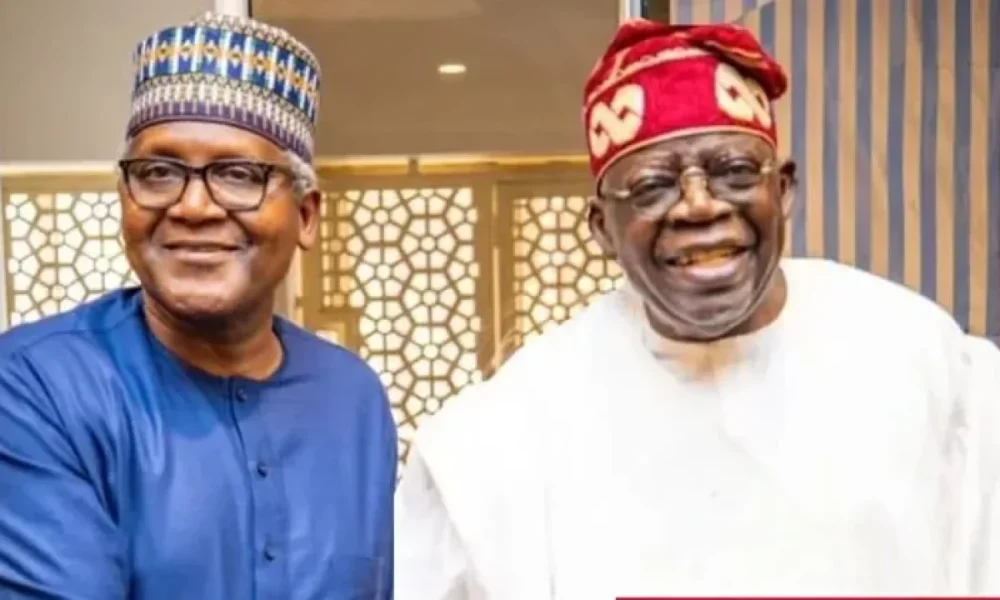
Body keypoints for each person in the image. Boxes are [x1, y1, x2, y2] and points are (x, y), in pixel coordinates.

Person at [394, 20, 1000, 598]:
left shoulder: (922, 364)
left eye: (734, 171)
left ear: (782, 189)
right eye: (652, 187)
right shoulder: (505, 437)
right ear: (602, 228)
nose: (698, 205)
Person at [0, 12, 395, 600]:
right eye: (159, 172)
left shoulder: (352, 398)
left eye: (238, 175)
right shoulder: (36, 388)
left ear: (306, 215)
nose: (192, 207)